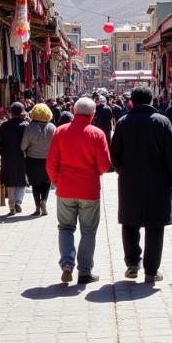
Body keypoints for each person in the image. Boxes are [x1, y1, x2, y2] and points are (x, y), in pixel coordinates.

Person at [110, 86, 172, 283]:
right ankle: (151, 271)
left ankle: (132, 264)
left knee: (130, 222)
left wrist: (120, 169)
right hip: (158, 181)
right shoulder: (162, 122)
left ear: (131, 101)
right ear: (151, 100)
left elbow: (114, 153)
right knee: (155, 225)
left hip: (129, 181)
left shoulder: (123, 122)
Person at [47, 97, 111, 284]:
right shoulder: (97, 134)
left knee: (65, 228)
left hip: (66, 188)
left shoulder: (60, 132)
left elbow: (51, 163)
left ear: (74, 112)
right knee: (88, 231)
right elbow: (104, 166)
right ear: (93, 114)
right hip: (89, 189)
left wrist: (57, 181)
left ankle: (67, 264)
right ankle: (84, 272)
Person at [21, 103, 56, 217]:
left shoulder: (30, 127)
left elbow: (23, 146)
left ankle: (37, 208)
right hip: (48, 159)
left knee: (35, 184)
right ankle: (44, 201)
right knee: (47, 182)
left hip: (32, 160)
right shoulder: (52, 127)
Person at [0, 102, 29, 215]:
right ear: (22, 113)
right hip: (22, 156)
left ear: (11, 113)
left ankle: (11, 206)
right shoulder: (26, 126)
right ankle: (18, 201)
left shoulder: (5, 125)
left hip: (8, 157)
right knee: (22, 180)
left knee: (11, 182)